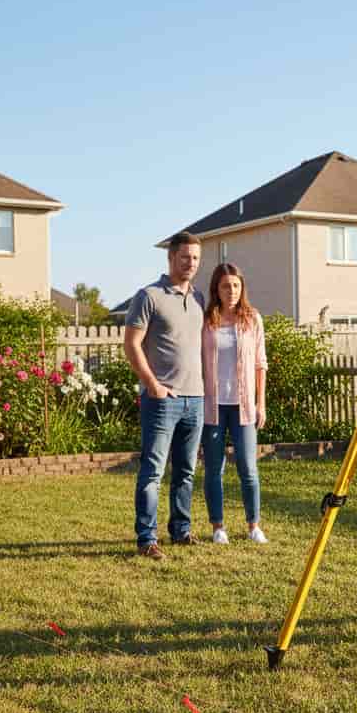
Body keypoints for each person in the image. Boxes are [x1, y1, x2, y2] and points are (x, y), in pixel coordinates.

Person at [124, 231, 206, 560]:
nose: (191, 263)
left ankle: (181, 530)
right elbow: (131, 344)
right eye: (185, 257)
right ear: (171, 258)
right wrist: (153, 386)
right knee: (153, 471)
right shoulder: (149, 296)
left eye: (196, 258)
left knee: (186, 471)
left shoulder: (199, 298)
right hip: (161, 401)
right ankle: (147, 538)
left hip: (195, 399)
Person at [200, 263, 269, 545]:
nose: (232, 291)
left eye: (236, 286)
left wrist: (260, 403)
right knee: (214, 468)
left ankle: (253, 525)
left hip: (244, 407)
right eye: (226, 286)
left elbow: (260, 364)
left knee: (248, 468)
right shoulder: (207, 321)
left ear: (243, 288)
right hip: (213, 406)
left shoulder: (252, 319)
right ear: (217, 289)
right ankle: (218, 527)